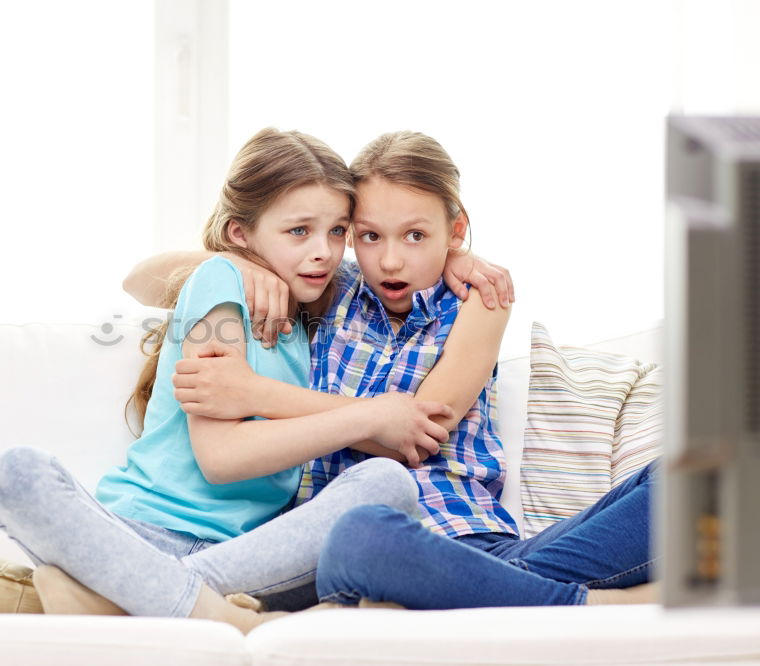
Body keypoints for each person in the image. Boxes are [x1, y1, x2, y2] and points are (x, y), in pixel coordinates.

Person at [148, 131, 656, 610]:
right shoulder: (329, 287)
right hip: (360, 545)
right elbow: (140, 280)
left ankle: (504, 589)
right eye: (369, 236)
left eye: (415, 235)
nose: (391, 261)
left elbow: (411, 434)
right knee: (364, 533)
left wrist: (255, 394)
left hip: (471, 539)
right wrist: (244, 261)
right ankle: (584, 604)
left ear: (455, 230)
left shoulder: (479, 302)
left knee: (684, 479)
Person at [0, 127, 457, 634]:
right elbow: (221, 458)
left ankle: (142, 598)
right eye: (299, 231)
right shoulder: (222, 281)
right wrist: (367, 414)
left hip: (250, 559)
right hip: (141, 535)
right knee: (15, 473)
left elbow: (400, 261)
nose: (323, 251)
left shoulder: (322, 304)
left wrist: (458, 260)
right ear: (240, 233)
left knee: (389, 485)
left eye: (338, 231)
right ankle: (213, 613)